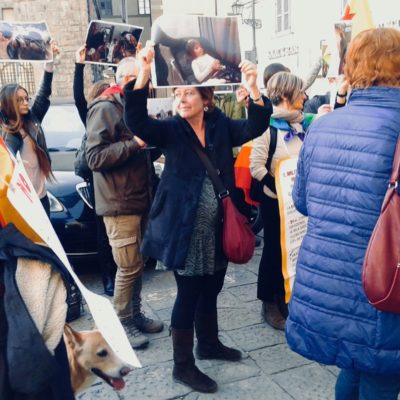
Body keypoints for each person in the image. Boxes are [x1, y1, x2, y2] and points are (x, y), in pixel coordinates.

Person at [123, 43, 272, 393]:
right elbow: (136, 120)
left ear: (206, 98)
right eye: (177, 92)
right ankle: (183, 366)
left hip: (219, 227)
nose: (181, 97)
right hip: (185, 229)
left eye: (188, 91)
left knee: (213, 287)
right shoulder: (171, 130)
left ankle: (208, 343)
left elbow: (256, 125)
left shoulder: (220, 125)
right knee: (188, 295)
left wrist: (252, 87)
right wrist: (144, 72)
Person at [286, 28, 400, 399]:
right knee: (381, 375)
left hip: (328, 281)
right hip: (384, 287)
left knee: (353, 366)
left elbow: (302, 202)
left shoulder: (322, 126)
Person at [85, 56, 164, 350]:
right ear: (128, 79)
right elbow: (95, 157)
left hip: (137, 199)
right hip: (119, 204)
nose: (149, 82)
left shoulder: (128, 107)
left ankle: (135, 314)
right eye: (144, 77)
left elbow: (136, 156)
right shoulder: (106, 107)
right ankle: (121, 324)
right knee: (127, 267)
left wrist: (152, 143)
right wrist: (136, 143)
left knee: (137, 263)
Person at [250, 71, 309, 331]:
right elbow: (256, 166)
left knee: (293, 250)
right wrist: (278, 189)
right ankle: (269, 303)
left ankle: (287, 298)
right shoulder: (267, 127)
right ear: (286, 95)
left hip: (296, 203)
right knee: (274, 251)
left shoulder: (301, 125)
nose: (305, 96)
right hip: (275, 202)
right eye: (300, 92)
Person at [73, 45, 117, 297]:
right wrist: (79, 66)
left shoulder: (120, 115)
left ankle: (123, 273)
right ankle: (107, 278)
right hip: (98, 180)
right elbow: (79, 99)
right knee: (103, 233)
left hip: (119, 180)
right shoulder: (91, 114)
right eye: (106, 96)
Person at [0, 42, 59, 216]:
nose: (26, 102)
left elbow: (44, 92)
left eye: (26, 98)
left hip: (41, 197)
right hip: (23, 203)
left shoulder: (32, 120)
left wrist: (49, 61)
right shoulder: (7, 133)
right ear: (9, 103)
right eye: (19, 100)